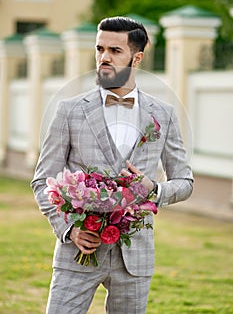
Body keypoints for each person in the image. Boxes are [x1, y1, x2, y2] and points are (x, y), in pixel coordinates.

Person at [31, 16, 193, 314]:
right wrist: (69, 229)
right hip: (77, 250)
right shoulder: (69, 111)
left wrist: (153, 189)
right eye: (100, 49)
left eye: (115, 51)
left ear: (137, 57)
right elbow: (43, 181)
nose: (104, 57)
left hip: (134, 257)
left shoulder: (164, 114)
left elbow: (185, 181)